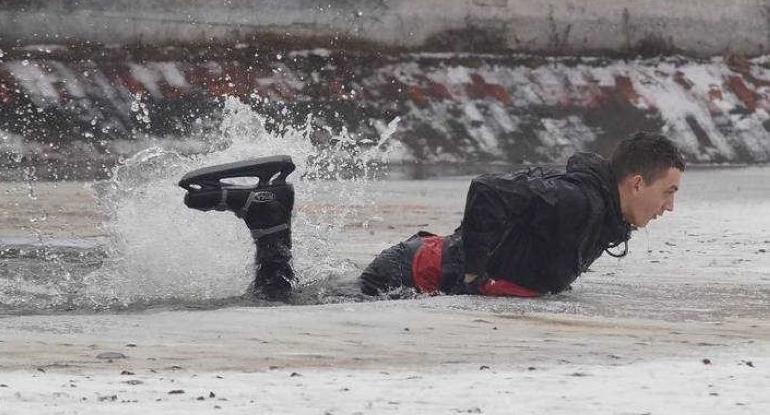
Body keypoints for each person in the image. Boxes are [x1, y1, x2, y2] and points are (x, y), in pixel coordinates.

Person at [179, 131, 684, 300]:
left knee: (303, 294)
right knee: (279, 304)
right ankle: (265, 214)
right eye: (668, 192)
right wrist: (473, 272)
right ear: (636, 182)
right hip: (415, 273)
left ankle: (268, 213)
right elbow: (487, 190)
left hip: (419, 267)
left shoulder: (604, 211)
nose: (669, 208)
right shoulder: (579, 201)